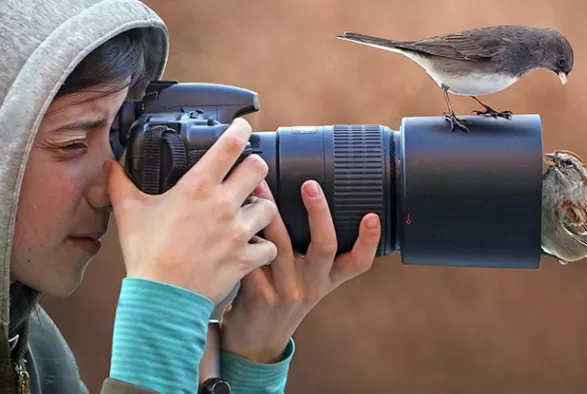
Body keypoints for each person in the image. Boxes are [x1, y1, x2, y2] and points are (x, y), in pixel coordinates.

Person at [0, 0, 382, 393]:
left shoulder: (32, 348)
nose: (108, 191)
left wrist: (250, 359)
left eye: (116, 138)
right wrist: (161, 320)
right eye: (73, 143)